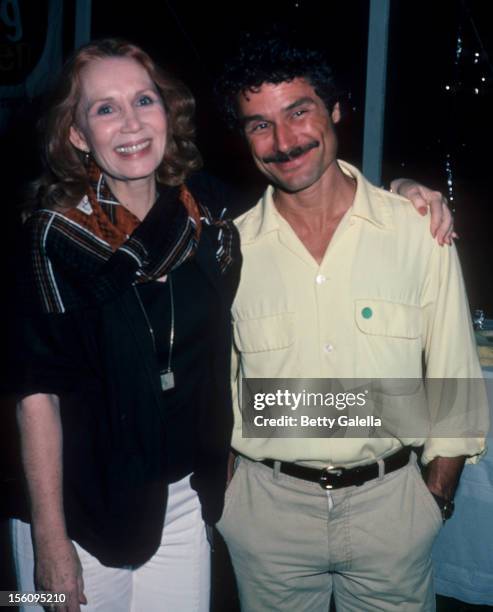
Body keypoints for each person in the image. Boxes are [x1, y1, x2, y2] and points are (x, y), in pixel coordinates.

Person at [215, 32, 488, 611]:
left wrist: (433, 499)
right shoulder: (229, 249)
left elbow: (454, 383)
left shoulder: (417, 230)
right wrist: (234, 497)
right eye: (259, 124)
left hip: (391, 511)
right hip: (267, 518)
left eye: (298, 112)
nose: (284, 142)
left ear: (335, 109)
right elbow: (215, 391)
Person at [9, 38, 241, 612]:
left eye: (144, 100)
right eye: (105, 108)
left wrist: (405, 196)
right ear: (78, 135)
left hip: (180, 496)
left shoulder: (205, 212)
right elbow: (36, 395)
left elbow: (300, 202)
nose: (131, 123)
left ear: (169, 112)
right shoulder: (49, 238)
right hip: (78, 508)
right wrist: (49, 542)